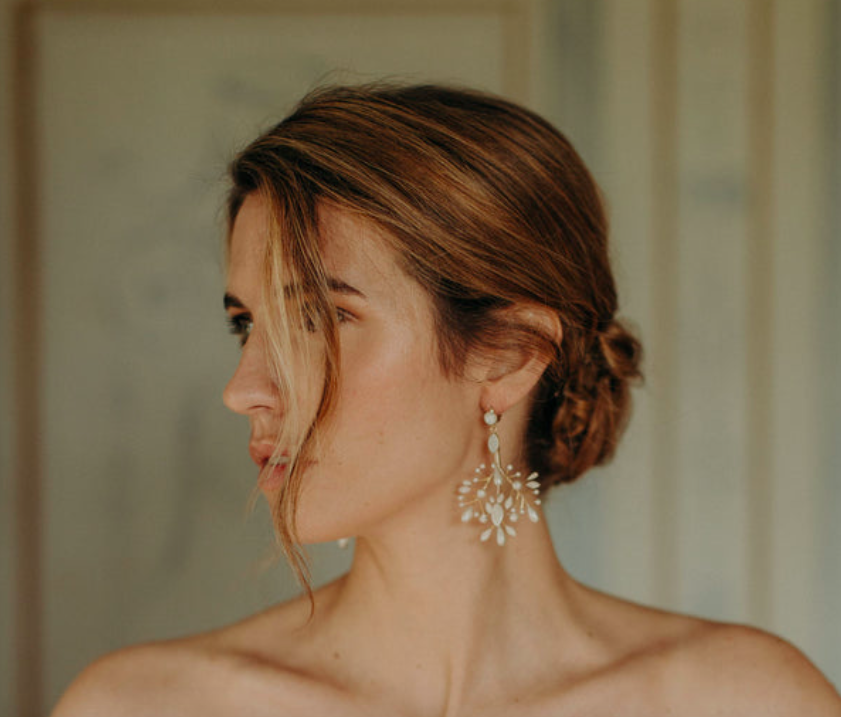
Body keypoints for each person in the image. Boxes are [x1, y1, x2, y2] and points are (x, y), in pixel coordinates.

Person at [53, 84, 841, 716]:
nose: (243, 389)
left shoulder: (748, 701)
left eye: (315, 320)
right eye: (243, 324)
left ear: (509, 353)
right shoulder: (139, 705)